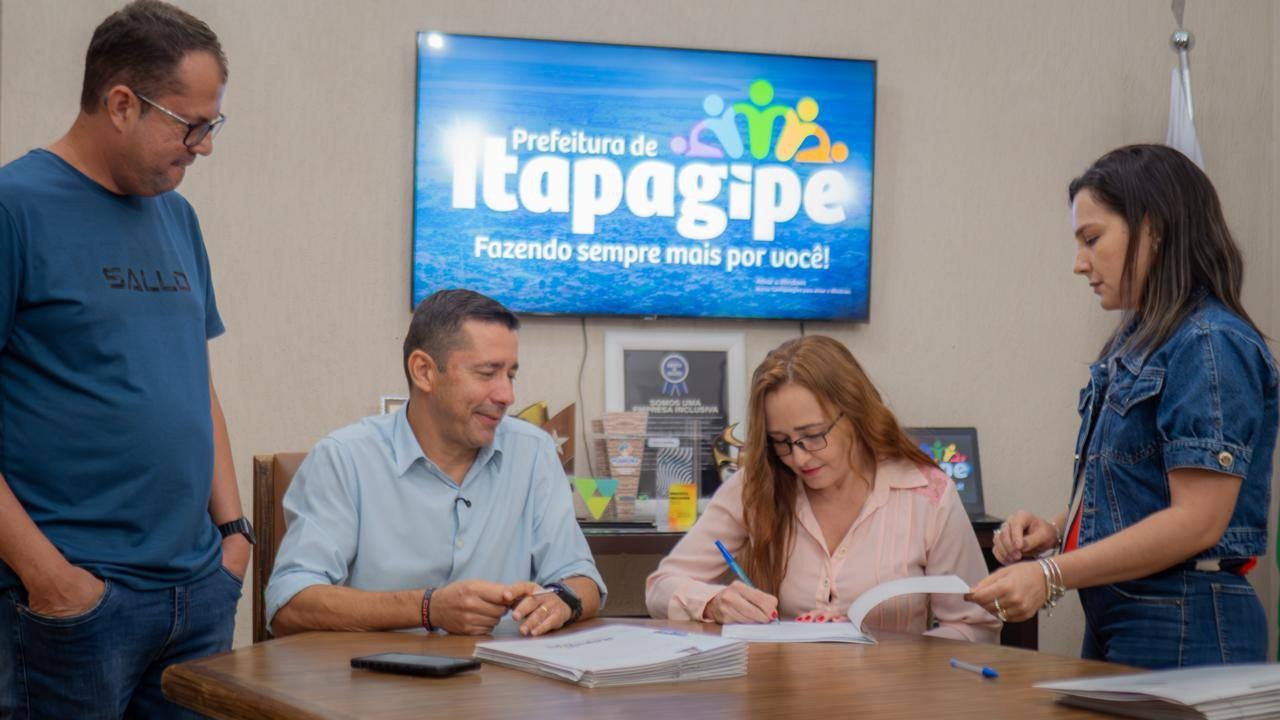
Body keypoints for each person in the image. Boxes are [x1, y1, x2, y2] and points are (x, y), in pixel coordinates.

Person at [0, 2, 248, 717]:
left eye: (213, 125)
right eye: (191, 124)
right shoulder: (15, 209)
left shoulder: (177, 216)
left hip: (197, 594)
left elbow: (195, 382)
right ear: (120, 104)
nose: (203, 146)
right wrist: (51, 579)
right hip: (74, 605)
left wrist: (233, 537)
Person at [968, 144, 1278, 668]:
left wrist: (1050, 575)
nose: (1078, 263)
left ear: (1153, 229)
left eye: (1092, 239)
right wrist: (1059, 529)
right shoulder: (1141, 341)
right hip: (1127, 611)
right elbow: (1139, 488)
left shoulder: (1209, 342)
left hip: (1184, 617)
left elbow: (1197, 522)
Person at [266, 289, 605, 637]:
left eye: (511, 375)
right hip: (380, 670)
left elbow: (582, 579)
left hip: (504, 670)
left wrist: (560, 601)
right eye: (487, 373)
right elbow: (289, 603)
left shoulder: (533, 451)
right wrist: (429, 608)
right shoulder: (344, 458)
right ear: (424, 371)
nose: (507, 395)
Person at [646, 335, 999, 642]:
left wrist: (882, 652)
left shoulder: (926, 494)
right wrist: (714, 603)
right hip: (783, 689)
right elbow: (661, 586)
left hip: (893, 692)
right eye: (781, 441)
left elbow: (976, 627)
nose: (798, 458)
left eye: (813, 436)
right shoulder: (756, 486)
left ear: (856, 414)